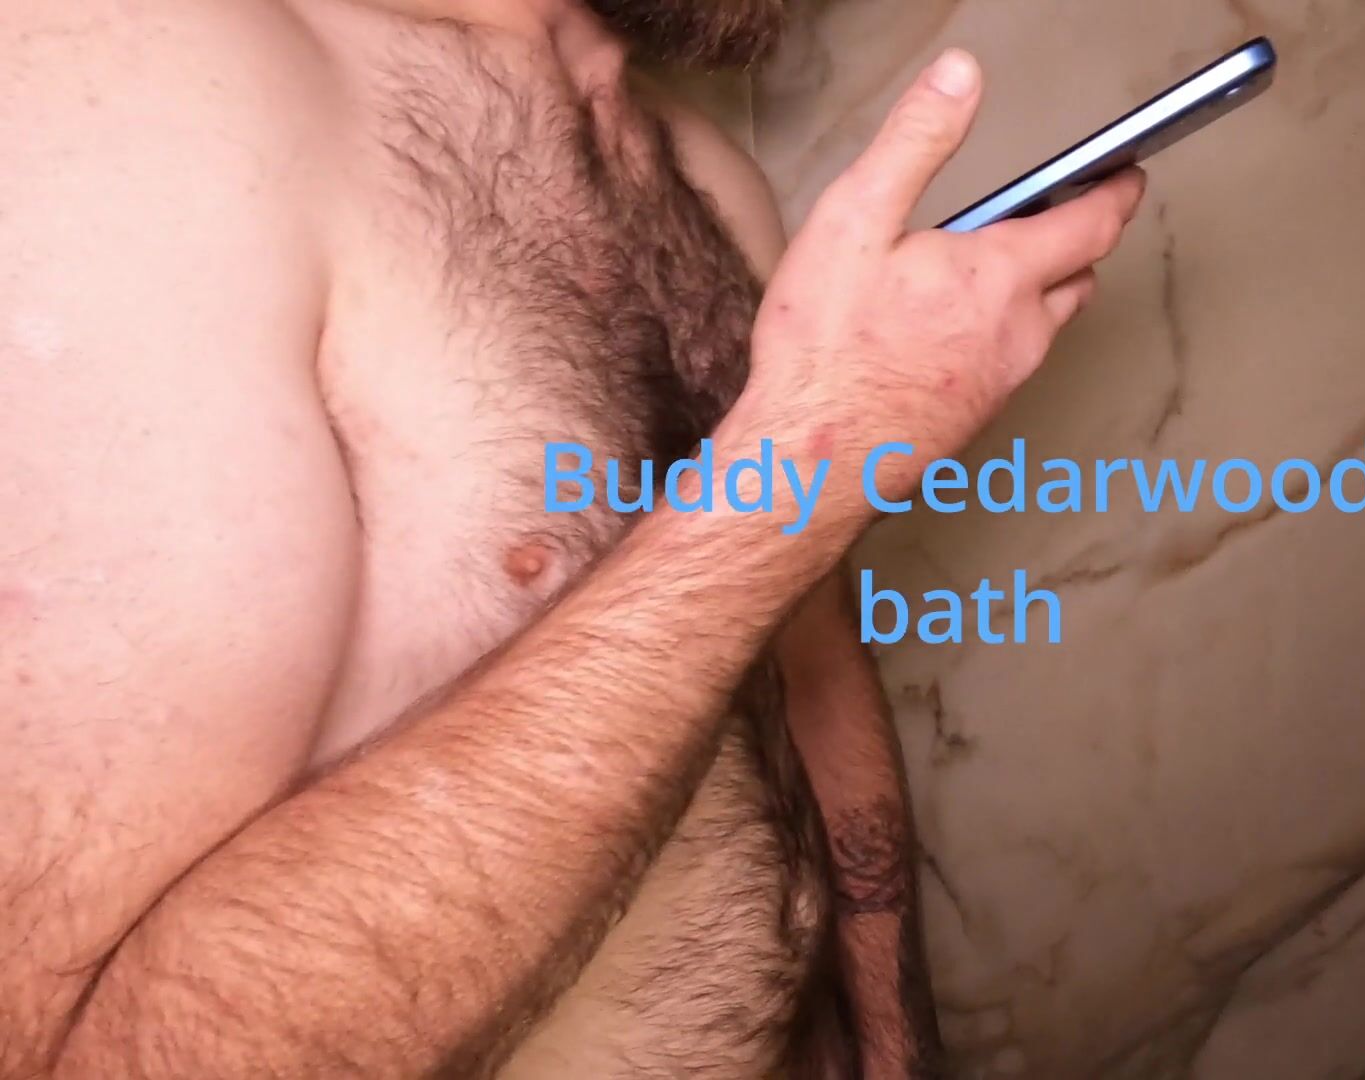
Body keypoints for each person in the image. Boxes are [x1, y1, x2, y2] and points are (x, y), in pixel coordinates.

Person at [0, 0, 1145, 1076]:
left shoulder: (697, 174)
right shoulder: (131, 99)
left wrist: (898, 1053)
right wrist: (799, 470)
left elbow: (811, 675)